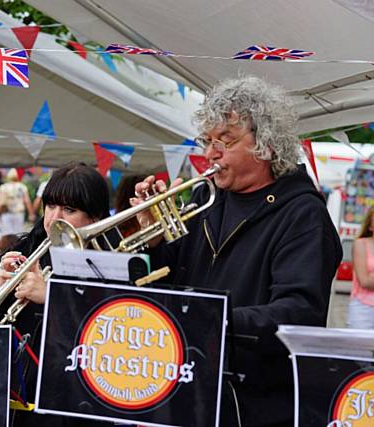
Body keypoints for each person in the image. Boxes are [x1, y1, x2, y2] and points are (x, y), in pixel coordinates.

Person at [132, 76, 342, 427]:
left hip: (255, 402)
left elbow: (299, 311)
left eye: (225, 141)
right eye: (208, 141)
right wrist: (153, 241)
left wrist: (212, 318)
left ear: (266, 145)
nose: (210, 154)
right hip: (189, 384)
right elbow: (169, 276)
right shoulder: (205, 198)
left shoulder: (303, 214)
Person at [0, 162, 110, 427]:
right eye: (50, 206)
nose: (54, 218)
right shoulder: (24, 249)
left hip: (77, 403)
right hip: (19, 396)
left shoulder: (109, 263)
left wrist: (53, 297)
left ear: (94, 217)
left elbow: (109, 332)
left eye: (69, 210)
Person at [348, 207, 374, 328]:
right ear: (370, 226)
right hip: (363, 310)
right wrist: (369, 279)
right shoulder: (361, 244)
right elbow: (364, 281)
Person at [0, 168, 35, 236]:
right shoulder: (22, 187)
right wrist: (31, 214)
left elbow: (0, 200)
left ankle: (8, 247)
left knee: (7, 234)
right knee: (18, 234)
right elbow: (27, 201)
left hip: (6, 212)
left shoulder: (4, 187)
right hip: (19, 213)